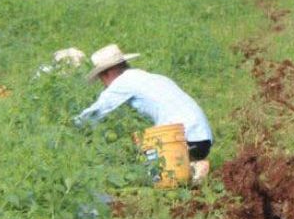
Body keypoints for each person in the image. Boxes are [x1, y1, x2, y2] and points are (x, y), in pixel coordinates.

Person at [76, 44, 214, 181]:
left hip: (184, 139)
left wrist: (71, 126)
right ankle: (189, 166)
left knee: (151, 174)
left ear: (106, 73)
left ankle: (192, 168)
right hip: (203, 139)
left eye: (101, 78)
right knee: (144, 148)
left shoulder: (122, 83)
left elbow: (95, 112)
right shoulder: (150, 77)